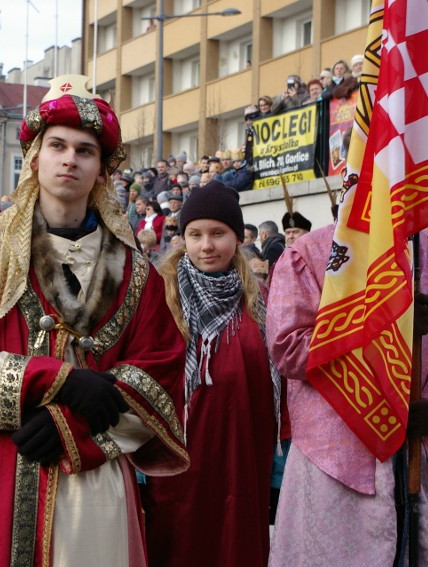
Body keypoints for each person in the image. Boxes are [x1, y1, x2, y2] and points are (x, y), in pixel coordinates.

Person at [0, 75, 189, 566]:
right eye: (56, 145)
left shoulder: (135, 272)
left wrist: (75, 427)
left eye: (84, 150)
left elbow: (159, 375)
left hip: (94, 486)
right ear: (35, 157)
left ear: (101, 169)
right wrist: (56, 380)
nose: (69, 158)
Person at [266, 223, 428, 564]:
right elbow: (288, 348)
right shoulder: (308, 253)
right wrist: (376, 324)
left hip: (423, 456)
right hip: (336, 462)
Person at [142, 182, 278, 567]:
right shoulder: (158, 297)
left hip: (244, 464)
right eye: (195, 234)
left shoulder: (262, 302)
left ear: (237, 238)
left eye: (218, 233)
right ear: (182, 239)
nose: (206, 246)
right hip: (177, 469)